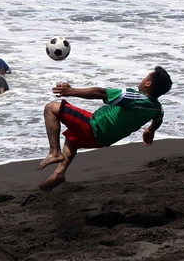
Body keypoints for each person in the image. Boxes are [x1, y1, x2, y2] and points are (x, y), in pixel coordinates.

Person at [37, 66, 172, 191]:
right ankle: (58, 173)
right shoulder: (156, 108)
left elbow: (100, 93)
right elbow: (158, 120)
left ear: (148, 84)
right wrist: (150, 130)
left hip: (94, 126)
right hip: (103, 140)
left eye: (146, 77)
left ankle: (54, 152)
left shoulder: (133, 97)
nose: (143, 79)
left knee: (51, 108)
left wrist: (70, 91)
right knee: (72, 139)